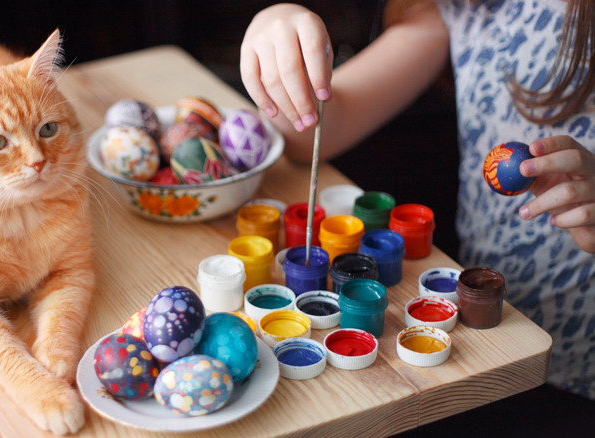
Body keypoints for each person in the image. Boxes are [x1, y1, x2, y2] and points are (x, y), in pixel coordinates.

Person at [240, 0, 595, 401]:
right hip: (480, 348)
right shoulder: (465, 9)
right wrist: (276, 34)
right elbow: (308, 135)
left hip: (575, 374)